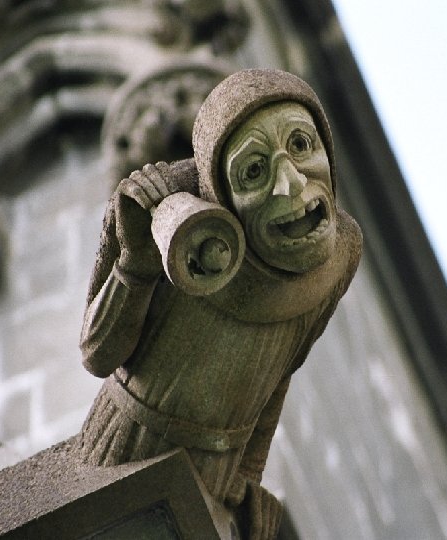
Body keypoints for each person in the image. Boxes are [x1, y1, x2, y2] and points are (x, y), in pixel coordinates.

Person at [77, 69, 361, 539]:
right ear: (223, 197)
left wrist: (247, 477)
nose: (290, 183)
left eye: (301, 145)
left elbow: (280, 370)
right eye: (253, 171)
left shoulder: (341, 254)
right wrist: (135, 265)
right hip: (126, 452)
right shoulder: (173, 215)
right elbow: (97, 354)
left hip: (216, 471)